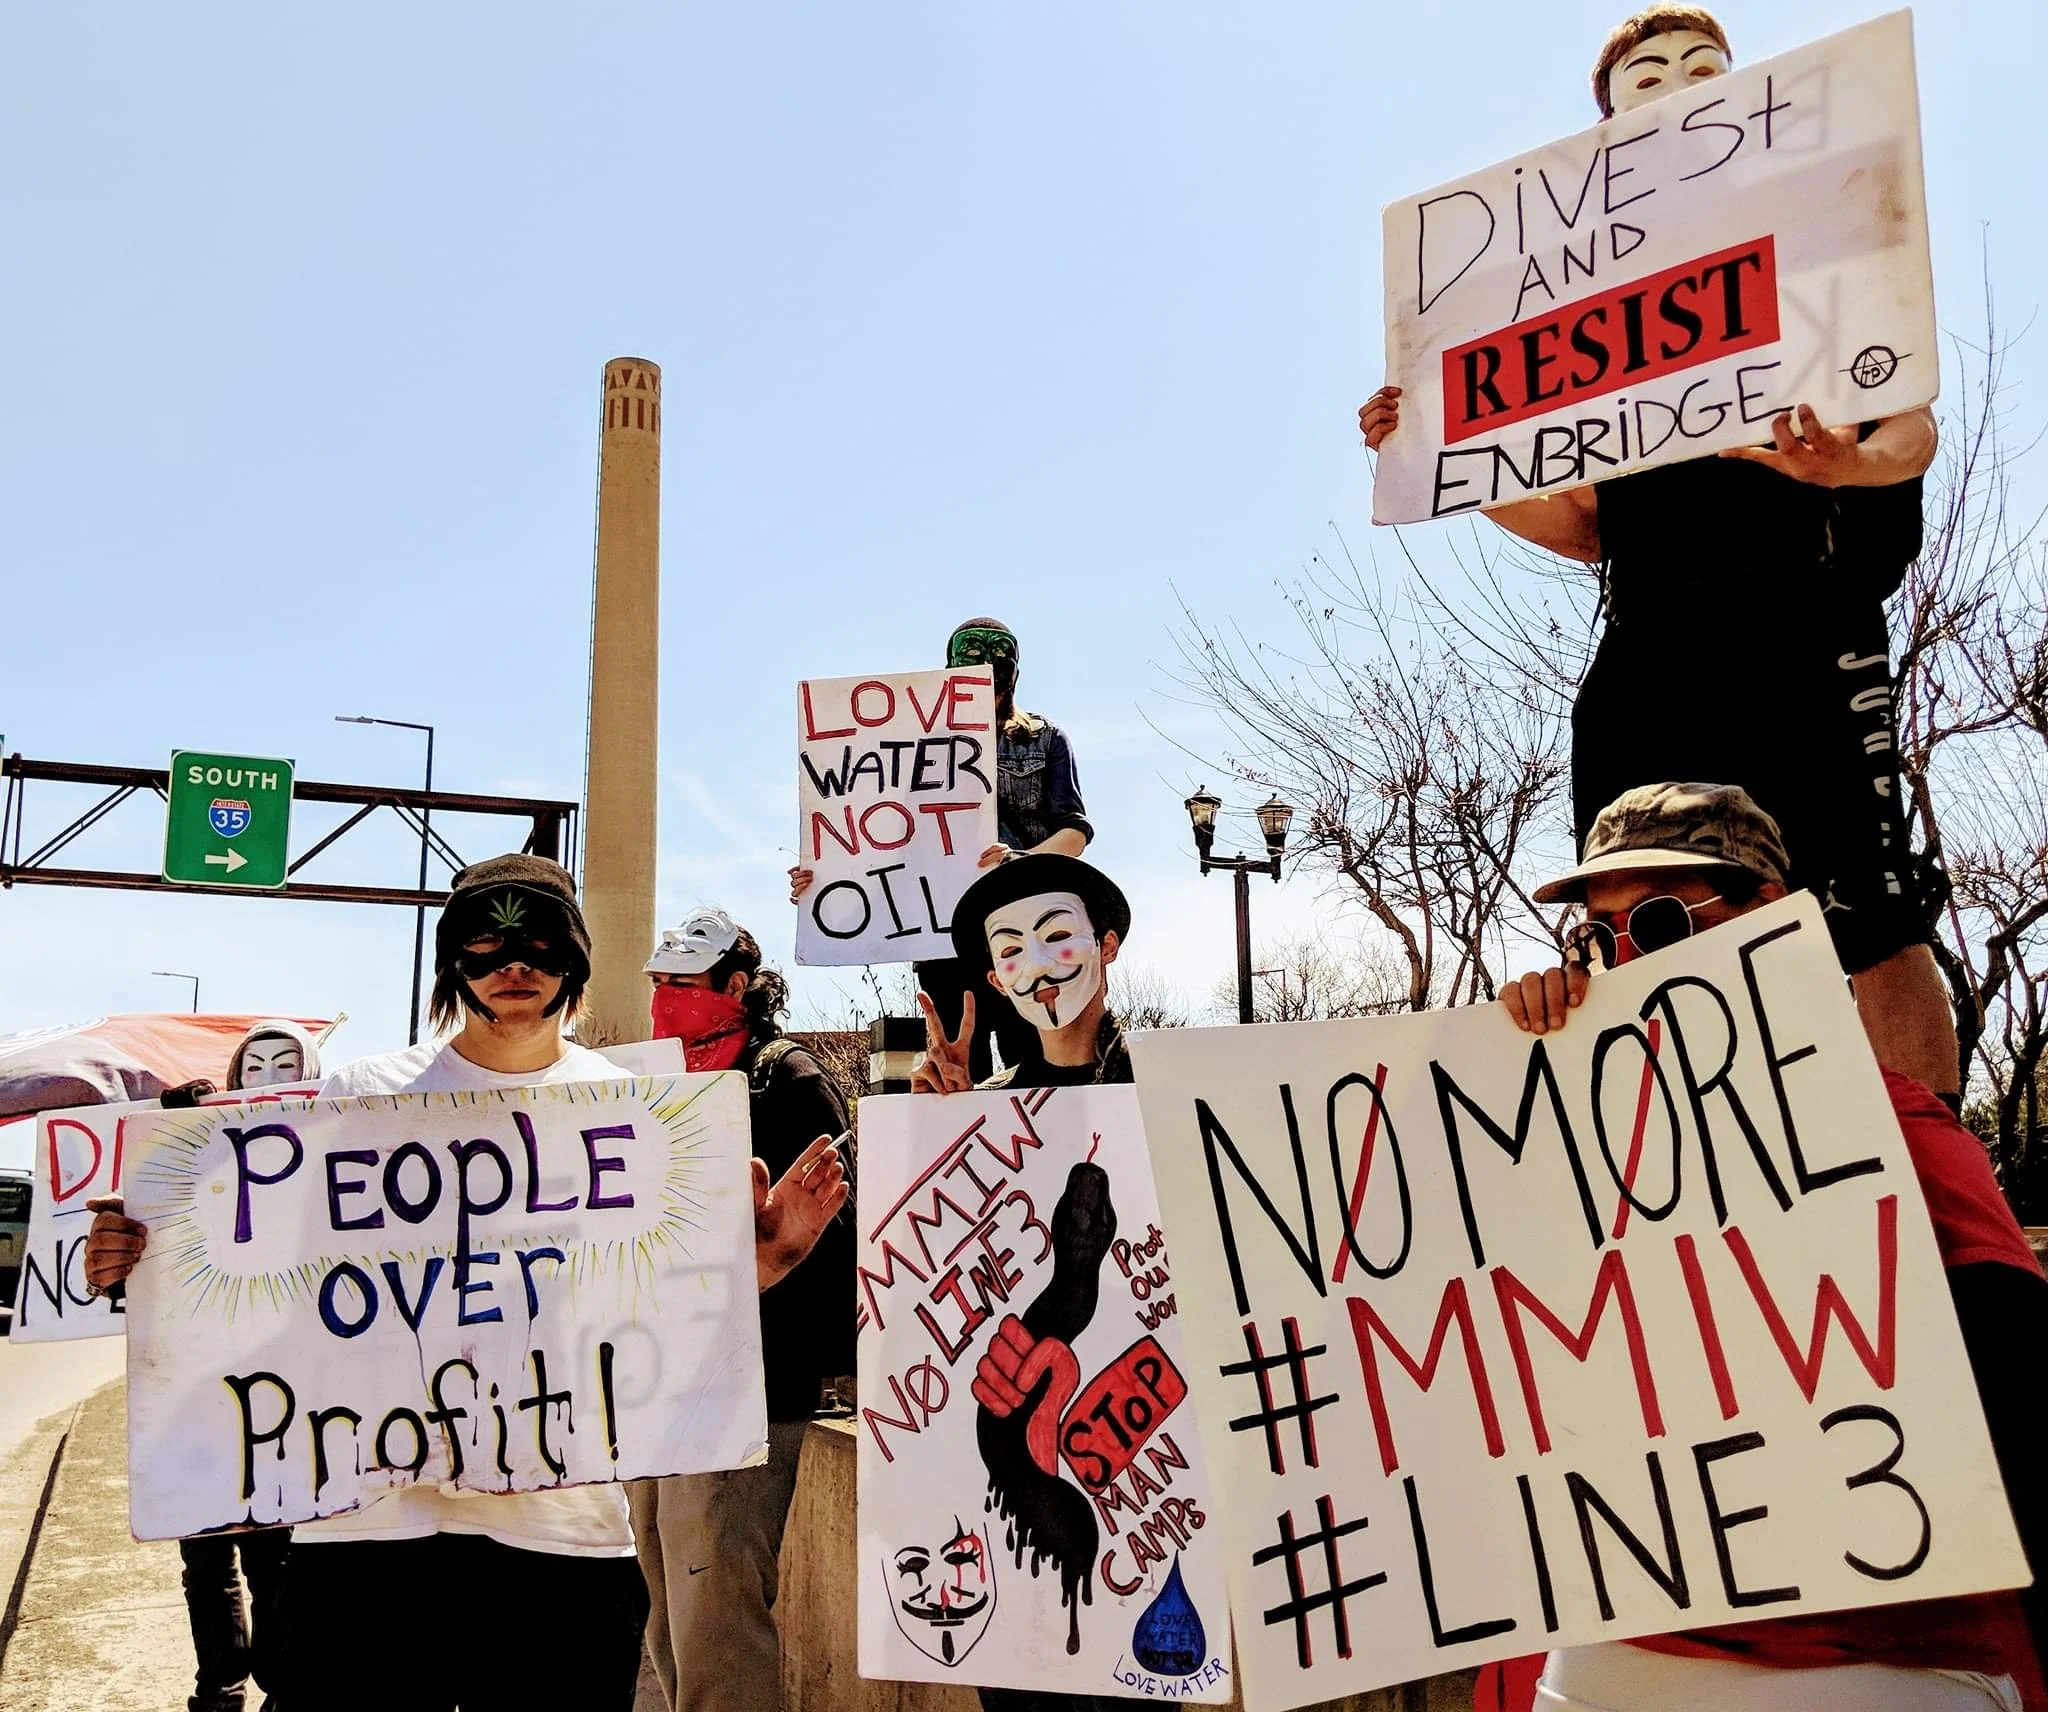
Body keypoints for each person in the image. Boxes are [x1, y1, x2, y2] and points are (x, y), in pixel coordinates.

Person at [1357, 3, 1960, 1103]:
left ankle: (1930, 1184)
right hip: (1648, 650)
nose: (1678, 86)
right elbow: (1583, 524)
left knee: (1867, 916)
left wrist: (1842, 469)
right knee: (1634, 916)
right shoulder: (1583, 297)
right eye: (1646, 81)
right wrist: (1444, 460)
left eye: (1702, 68)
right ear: (1607, 126)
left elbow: (1908, 426)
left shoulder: (1828, 233)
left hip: (1805, 624)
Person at [83, 855, 848, 1712]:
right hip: (368, 1532)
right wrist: (144, 1261)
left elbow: (649, 1324)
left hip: (566, 1541)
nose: (514, 966)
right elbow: (273, 1291)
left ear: (576, 964)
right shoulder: (361, 1099)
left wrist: (755, 1272)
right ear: (454, 965)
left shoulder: (635, 1114)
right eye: (486, 944)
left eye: (540, 944)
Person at [1499, 783, 2048, 1712]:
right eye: (1595, 936)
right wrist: (1506, 1066)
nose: (1621, 958)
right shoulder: (1566, 1139)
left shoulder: (1890, 1126)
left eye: (1662, 922)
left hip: (1873, 1653)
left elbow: (2017, 1382)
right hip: (1620, 1640)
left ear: (1775, 921)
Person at [913, 849, 1131, 1712]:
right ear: (996, 982)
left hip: (1149, 1496)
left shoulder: (1169, 1088)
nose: (1037, 967)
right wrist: (939, 1142)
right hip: (1004, 1540)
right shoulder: (977, 1111)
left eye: (1057, 938)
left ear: (1105, 944)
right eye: (1011, 950)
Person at [632, 907, 854, 1712]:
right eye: (658, 984)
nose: (665, 1000)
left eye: (682, 985)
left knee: (717, 1616)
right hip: (656, 1383)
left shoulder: (787, 1081)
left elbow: (830, 1237)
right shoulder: (658, 1081)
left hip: (747, 1389)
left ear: (735, 987)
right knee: (666, 1613)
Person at [792, 617, 1094, 1081]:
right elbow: (880, 830)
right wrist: (825, 875)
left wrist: (1019, 862)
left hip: (1020, 930)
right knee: (956, 1071)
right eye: (972, 660)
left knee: (1033, 1067)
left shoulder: (1044, 739)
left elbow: (1073, 834)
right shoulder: (908, 746)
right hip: (944, 938)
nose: (988, 670)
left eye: (999, 660)